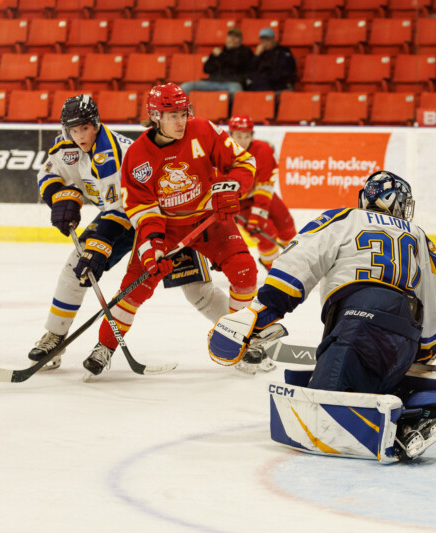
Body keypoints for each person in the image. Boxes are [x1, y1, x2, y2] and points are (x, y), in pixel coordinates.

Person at [30, 95, 228, 370]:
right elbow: (50, 172)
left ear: (96, 124)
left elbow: (124, 209)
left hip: (163, 218)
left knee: (197, 291)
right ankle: (55, 336)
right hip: (122, 216)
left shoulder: (114, 153)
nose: (78, 136)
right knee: (76, 268)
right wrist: (61, 197)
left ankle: (245, 335)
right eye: (73, 130)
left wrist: (99, 246)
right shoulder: (66, 145)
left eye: (84, 129)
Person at [208, 171, 436, 391]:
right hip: (405, 331)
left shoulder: (345, 218)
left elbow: (299, 261)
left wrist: (263, 311)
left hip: (356, 320)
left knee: (327, 402)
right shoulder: (419, 235)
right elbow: (435, 298)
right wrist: (425, 347)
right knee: (380, 390)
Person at [81, 83, 258, 379]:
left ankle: (238, 338)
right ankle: (105, 346)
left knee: (245, 271)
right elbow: (143, 209)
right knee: (136, 287)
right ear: (155, 116)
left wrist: (233, 187)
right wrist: (153, 247)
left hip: (208, 218)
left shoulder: (203, 130)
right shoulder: (138, 156)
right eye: (172, 115)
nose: (180, 121)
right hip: (168, 226)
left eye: (183, 113)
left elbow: (243, 161)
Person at [228, 114, 296, 271]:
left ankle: (294, 263)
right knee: (267, 235)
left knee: (287, 226)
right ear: (230, 135)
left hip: (262, 196)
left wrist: (258, 214)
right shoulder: (222, 153)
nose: (243, 141)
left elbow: (265, 185)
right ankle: (274, 270)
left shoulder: (263, 150)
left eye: (247, 136)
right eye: (238, 136)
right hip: (239, 201)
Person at [180, 27, 253, 106]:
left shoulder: (245, 51)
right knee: (185, 87)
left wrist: (221, 56)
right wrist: (215, 57)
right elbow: (206, 69)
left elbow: (238, 64)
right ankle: (186, 115)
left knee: (236, 91)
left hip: (231, 83)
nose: (232, 39)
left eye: (235, 37)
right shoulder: (218, 51)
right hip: (211, 82)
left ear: (240, 40)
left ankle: (230, 116)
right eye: (230, 36)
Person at [245, 27, 297, 93]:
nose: (265, 43)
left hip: (280, 84)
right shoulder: (263, 53)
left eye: (267, 40)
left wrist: (263, 78)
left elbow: (282, 72)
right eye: (262, 41)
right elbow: (251, 70)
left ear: (273, 39)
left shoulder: (284, 51)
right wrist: (256, 55)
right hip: (265, 84)